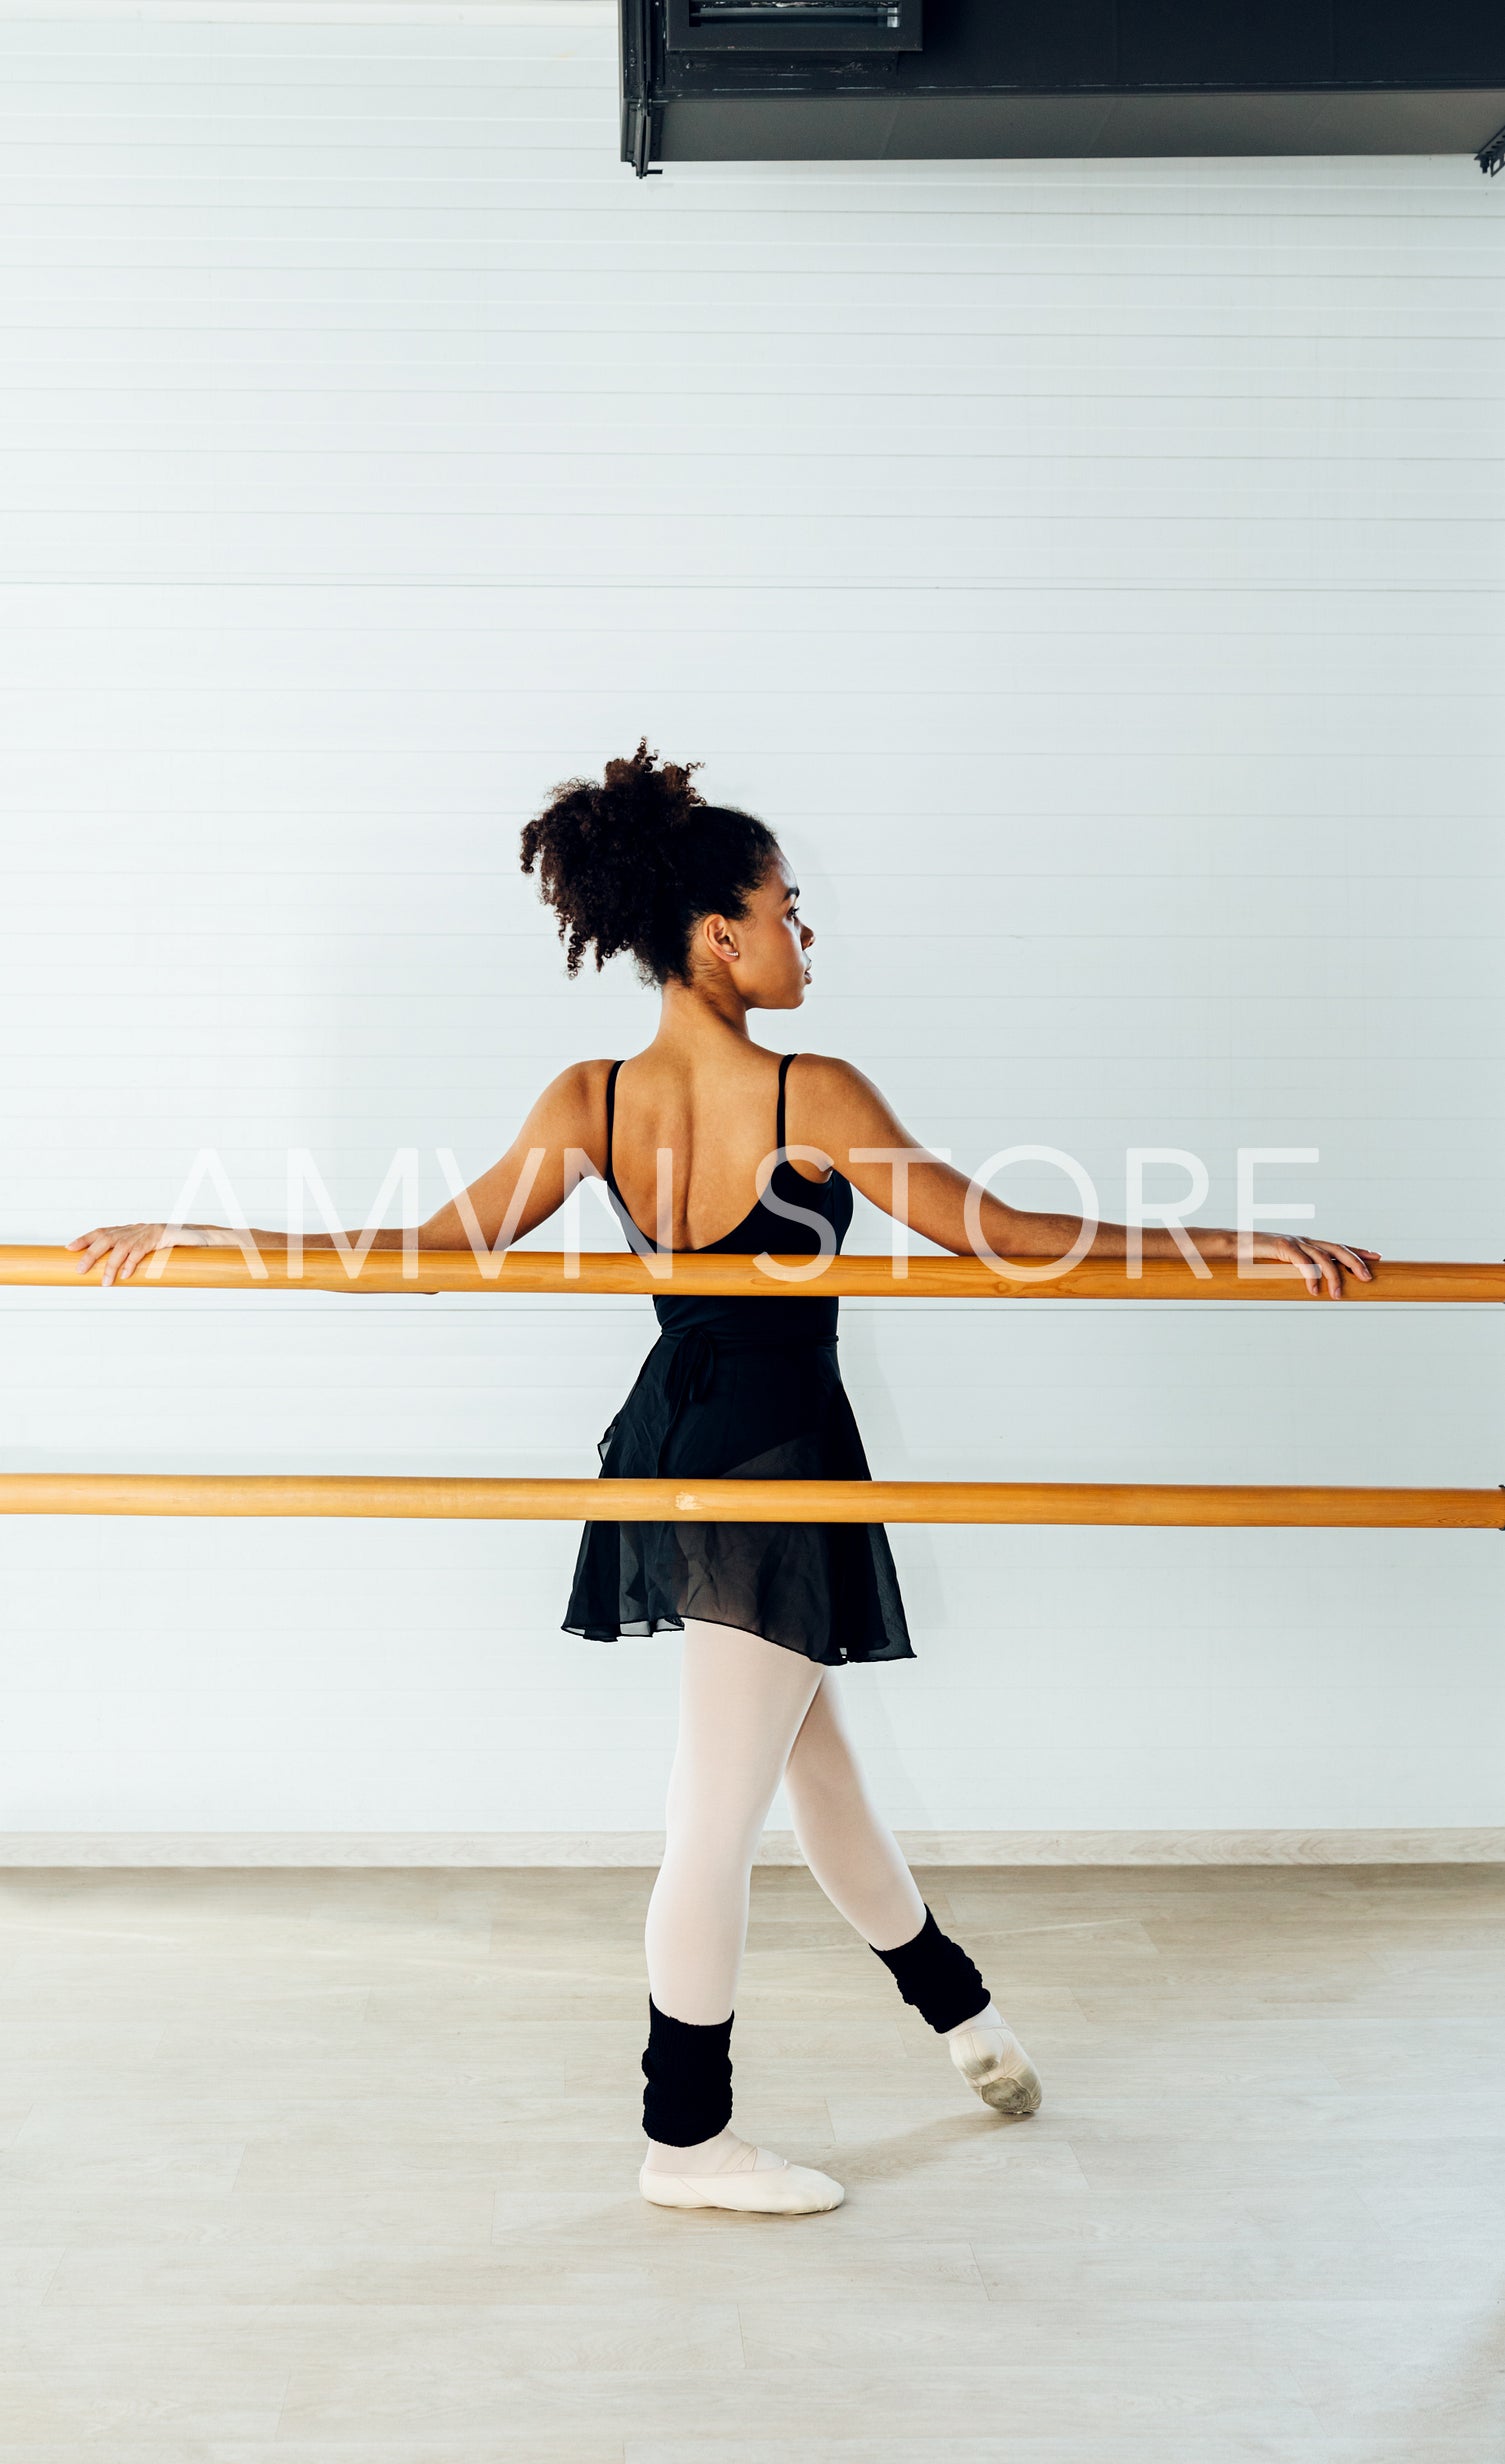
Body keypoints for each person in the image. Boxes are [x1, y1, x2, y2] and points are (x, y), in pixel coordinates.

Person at [68, 739, 1379, 2218]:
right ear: (717, 933)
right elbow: (1005, 1238)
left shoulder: (592, 1098)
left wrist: (217, 1239)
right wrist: (1235, 1246)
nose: (801, 935)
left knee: (813, 1773)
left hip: (669, 1448)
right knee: (714, 1814)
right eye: (785, 907)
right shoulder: (806, 1091)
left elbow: (415, 1260)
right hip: (772, 1458)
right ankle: (685, 2139)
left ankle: (966, 2022)